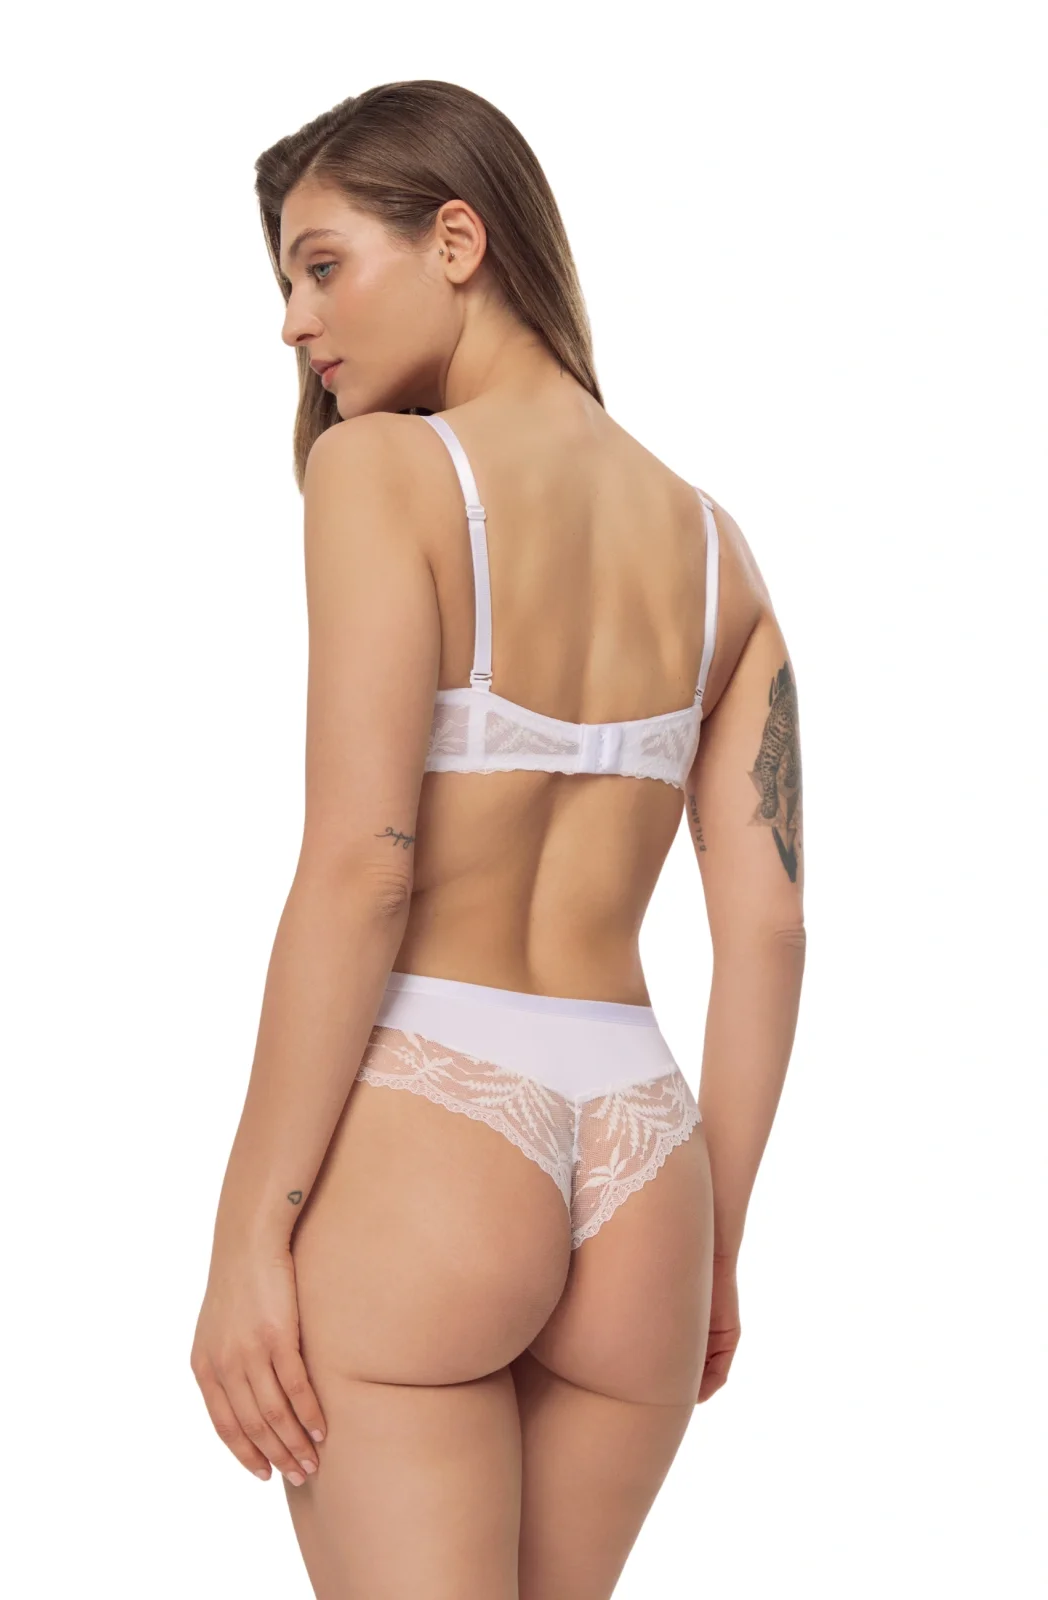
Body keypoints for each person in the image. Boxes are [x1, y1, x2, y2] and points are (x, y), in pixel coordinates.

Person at [190, 79, 806, 1599]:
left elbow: (363, 868)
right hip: (649, 1166)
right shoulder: (717, 548)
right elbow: (772, 930)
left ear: (458, 241)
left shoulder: (386, 474)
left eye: (321, 266)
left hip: (433, 1135)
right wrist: (714, 1239)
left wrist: (247, 1236)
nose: (293, 323)